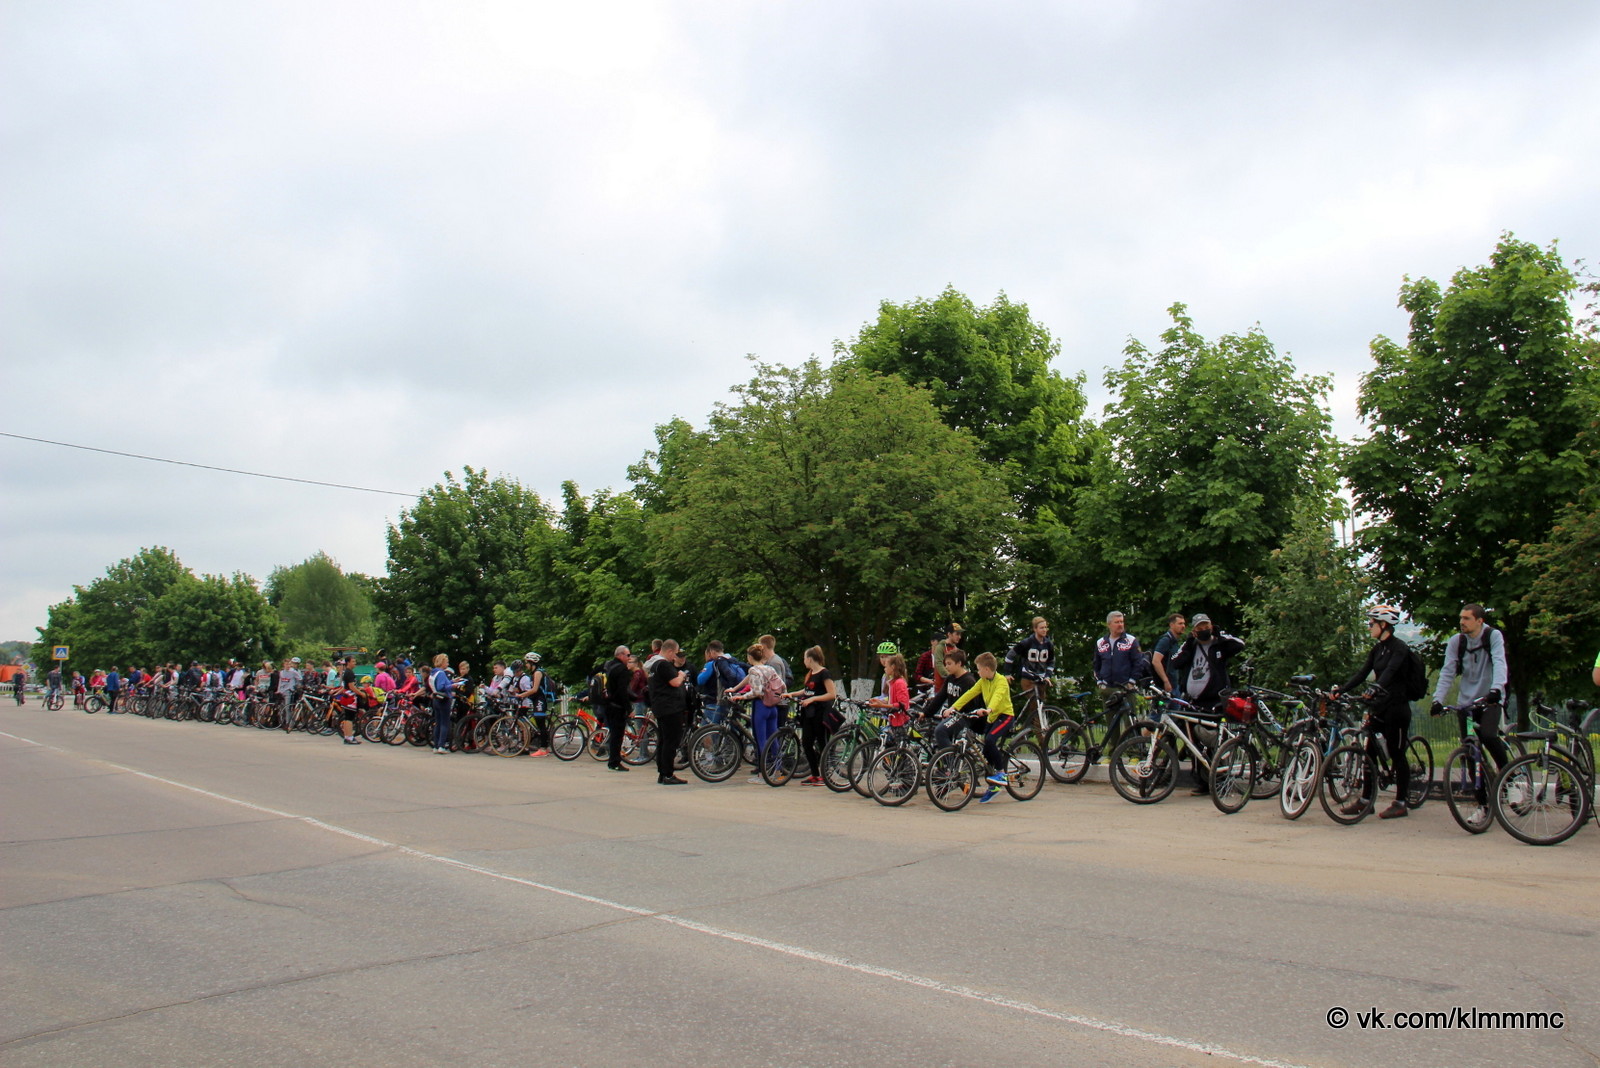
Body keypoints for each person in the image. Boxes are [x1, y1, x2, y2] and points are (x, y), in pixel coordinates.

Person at [1332, 605, 1416, 820]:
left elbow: (1390, 672)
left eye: (1371, 624)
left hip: (1397, 707)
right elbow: (1363, 673)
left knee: (1397, 754)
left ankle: (1401, 802)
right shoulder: (1377, 649)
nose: (1369, 627)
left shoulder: (1400, 648)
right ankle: (1366, 801)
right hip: (1380, 706)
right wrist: (1342, 690)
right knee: (1369, 753)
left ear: (1384, 625)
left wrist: (1375, 688)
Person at [1167, 614, 1246, 796]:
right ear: (1194, 630)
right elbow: (1175, 662)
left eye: (1206, 626)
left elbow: (1239, 644)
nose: (1204, 630)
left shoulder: (1220, 644)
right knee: (1194, 743)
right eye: (1200, 628)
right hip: (1194, 703)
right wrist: (1188, 643)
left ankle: (1219, 780)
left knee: (1215, 741)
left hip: (1215, 701)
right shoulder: (1191, 646)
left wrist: (1219, 634)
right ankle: (1202, 781)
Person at [1430, 603, 1511, 779]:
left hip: (1489, 700)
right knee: (1469, 748)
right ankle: (1482, 803)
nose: (1462, 622)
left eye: (1466, 618)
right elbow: (1447, 672)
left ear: (1479, 621)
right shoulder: (1456, 641)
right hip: (1467, 704)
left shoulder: (1493, 636)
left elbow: (1499, 662)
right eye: (1461, 618)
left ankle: (1510, 778)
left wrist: (1496, 689)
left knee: (1489, 736)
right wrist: (1438, 700)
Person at [949, 652, 1016, 802]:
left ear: (986, 669)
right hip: (992, 717)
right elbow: (970, 694)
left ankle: (1001, 773)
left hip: (1004, 716)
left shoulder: (1001, 681)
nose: (977, 672)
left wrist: (989, 710)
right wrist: (953, 708)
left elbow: (998, 697)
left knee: (991, 741)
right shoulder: (983, 681)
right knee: (986, 752)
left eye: (978, 669)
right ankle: (994, 785)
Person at [726, 644, 785, 784]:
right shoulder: (769, 669)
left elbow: (756, 691)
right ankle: (778, 770)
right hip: (772, 707)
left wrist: (741, 696)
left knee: (761, 740)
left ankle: (762, 774)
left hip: (760, 706)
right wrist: (735, 688)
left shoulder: (753, 670)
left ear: (750, 657)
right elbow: (782, 684)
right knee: (773, 738)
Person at [789, 646, 837, 786]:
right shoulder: (810, 674)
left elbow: (831, 694)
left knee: (822, 743)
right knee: (807, 743)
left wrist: (813, 699)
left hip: (821, 713)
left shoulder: (824, 673)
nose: (804, 661)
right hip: (809, 714)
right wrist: (792, 694)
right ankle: (815, 774)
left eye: (804, 658)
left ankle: (825, 775)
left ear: (809, 659)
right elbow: (807, 690)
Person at [647, 640, 690, 784]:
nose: (675, 658)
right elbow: (675, 682)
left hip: (660, 707)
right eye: (675, 654)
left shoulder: (654, 666)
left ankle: (663, 772)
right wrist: (681, 676)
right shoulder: (664, 664)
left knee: (664, 740)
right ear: (670, 651)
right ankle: (668, 774)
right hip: (670, 708)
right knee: (671, 741)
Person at [1005, 617, 1055, 705]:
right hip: (1028, 678)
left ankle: (1033, 718)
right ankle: (1034, 717)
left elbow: (1051, 661)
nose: (1044, 630)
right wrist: (1007, 673)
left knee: (1042, 706)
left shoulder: (1048, 644)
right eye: (1041, 628)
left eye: (1045, 627)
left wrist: (1048, 676)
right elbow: (1010, 655)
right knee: (1035, 704)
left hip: (1041, 679)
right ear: (1035, 629)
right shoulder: (1027, 642)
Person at [599, 646, 634, 771]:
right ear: (621, 655)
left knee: (614, 734)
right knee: (617, 735)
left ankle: (612, 760)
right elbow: (622, 691)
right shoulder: (621, 670)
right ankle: (614, 761)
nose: (629, 658)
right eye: (628, 655)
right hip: (617, 707)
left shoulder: (609, 666)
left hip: (608, 704)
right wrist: (629, 708)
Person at [697, 641, 747, 727]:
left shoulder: (714, 663)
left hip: (718, 700)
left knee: (711, 729)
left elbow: (700, 680)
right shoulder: (731, 660)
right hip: (733, 697)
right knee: (730, 727)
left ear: (711, 652)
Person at [1091, 612, 1143, 689]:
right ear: (1109, 624)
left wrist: (1132, 681)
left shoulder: (1131, 641)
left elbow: (1138, 663)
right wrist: (1099, 682)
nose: (1120, 624)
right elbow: (1096, 664)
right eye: (1117, 622)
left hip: (1126, 686)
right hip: (1106, 687)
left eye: (1121, 622)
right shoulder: (1101, 642)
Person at [1150, 613, 1188, 696]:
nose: (1183, 626)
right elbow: (1156, 661)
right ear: (1171, 625)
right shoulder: (1165, 641)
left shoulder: (1175, 641)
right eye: (1180, 623)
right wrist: (1166, 681)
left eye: (1184, 623)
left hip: (1174, 686)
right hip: (1165, 688)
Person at [428, 653, 454, 753]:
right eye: (446, 662)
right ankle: (441, 746)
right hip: (444, 699)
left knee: (438, 723)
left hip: (436, 699)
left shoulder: (433, 673)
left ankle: (435, 745)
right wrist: (453, 686)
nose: (447, 664)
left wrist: (451, 682)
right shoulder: (442, 673)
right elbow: (441, 687)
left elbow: (438, 685)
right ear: (442, 662)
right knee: (444, 723)